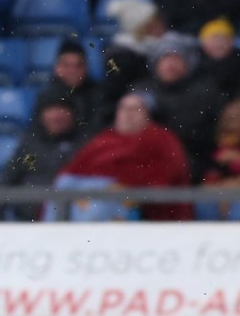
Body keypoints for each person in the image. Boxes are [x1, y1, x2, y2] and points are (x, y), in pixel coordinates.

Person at [53, 92, 193, 221]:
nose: (128, 114)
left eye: (135, 109)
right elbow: (76, 168)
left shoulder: (161, 139)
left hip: (135, 201)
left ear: (147, 114)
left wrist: (115, 181)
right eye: (123, 109)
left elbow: (165, 175)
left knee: (100, 200)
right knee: (65, 183)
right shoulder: (105, 139)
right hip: (91, 191)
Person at [132, 34, 227, 183]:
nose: (170, 64)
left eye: (176, 58)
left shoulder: (207, 92)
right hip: (147, 162)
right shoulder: (141, 92)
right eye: (165, 58)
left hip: (195, 163)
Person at [0, 88, 90, 222]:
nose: (57, 116)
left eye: (62, 109)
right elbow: (7, 180)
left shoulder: (85, 145)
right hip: (28, 222)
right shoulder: (29, 145)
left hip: (74, 223)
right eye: (51, 110)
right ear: (41, 114)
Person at [35, 37, 99, 131]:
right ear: (56, 67)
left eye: (77, 66)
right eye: (66, 65)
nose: (72, 71)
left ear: (86, 68)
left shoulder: (99, 96)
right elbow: (36, 133)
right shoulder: (46, 97)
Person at [196, 16, 240, 101]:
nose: (219, 44)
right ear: (204, 43)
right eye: (214, 39)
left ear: (232, 41)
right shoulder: (195, 65)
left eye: (224, 39)